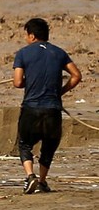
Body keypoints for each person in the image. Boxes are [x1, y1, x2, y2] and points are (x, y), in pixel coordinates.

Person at [13, 18, 82, 194]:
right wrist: (60, 92)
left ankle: (30, 176)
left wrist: (30, 82)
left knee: (24, 144)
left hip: (31, 108)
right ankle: (42, 181)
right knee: (49, 146)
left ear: (32, 36)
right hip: (53, 109)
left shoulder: (23, 54)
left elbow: (17, 82)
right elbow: (76, 75)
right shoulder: (59, 53)